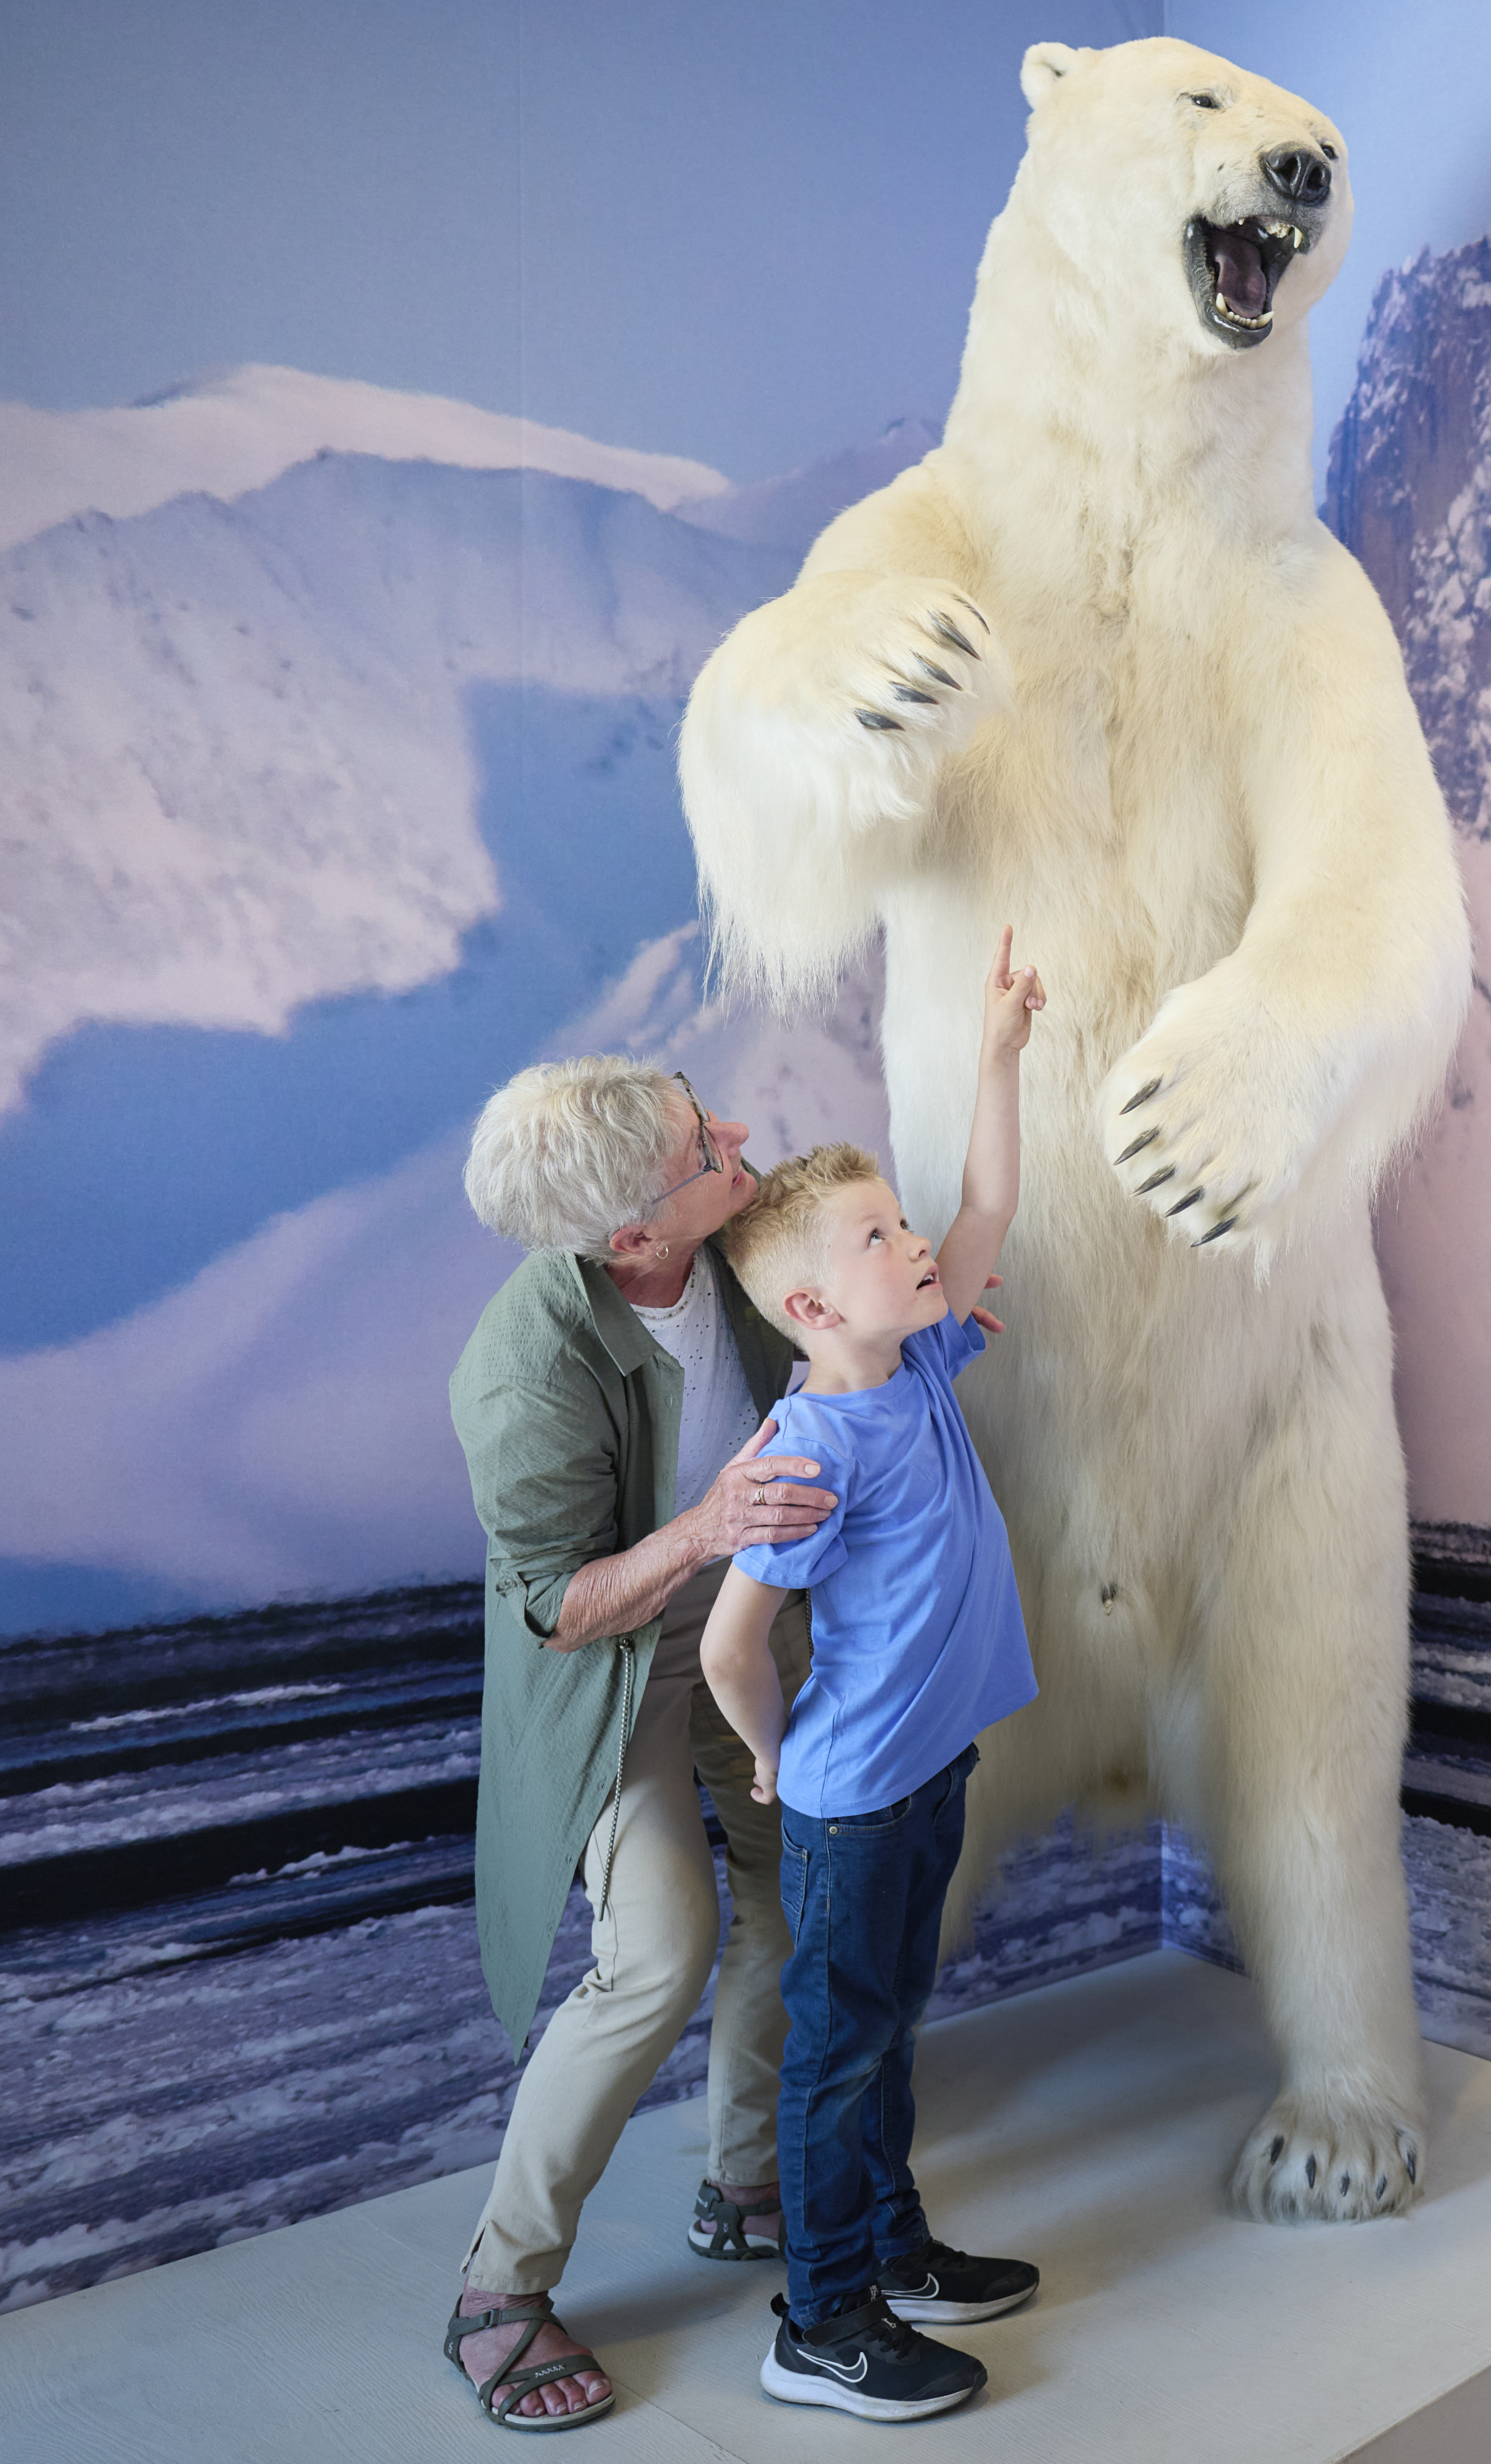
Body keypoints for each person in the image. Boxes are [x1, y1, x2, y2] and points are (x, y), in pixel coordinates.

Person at [439, 1056, 838, 2432]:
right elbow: (558, 1607)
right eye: (699, 1139)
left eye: (696, 1103)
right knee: (657, 1950)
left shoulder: (731, 1236)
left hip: (752, 1624)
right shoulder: (522, 1369)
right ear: (631, 1238)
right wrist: (706, 1528)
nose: (734, 1131)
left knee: (804, 1889)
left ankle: (745, 2185)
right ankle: (499, 2287)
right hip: (613, 1667)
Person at [700, 931, 1051, 2423]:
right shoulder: (809, 1449)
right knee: (835, 2059)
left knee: (891, 2026)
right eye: (874, 1238)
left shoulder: (911, 1365)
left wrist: (998, 1056)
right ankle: (820, 2317)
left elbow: (989, 1204)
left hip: (926, 1773)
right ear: (809, 1310)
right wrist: (774, 1760)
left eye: (896, 1224)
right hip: (849, 1798)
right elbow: (730, 1645)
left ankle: (892, 2251)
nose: (915, 1244)